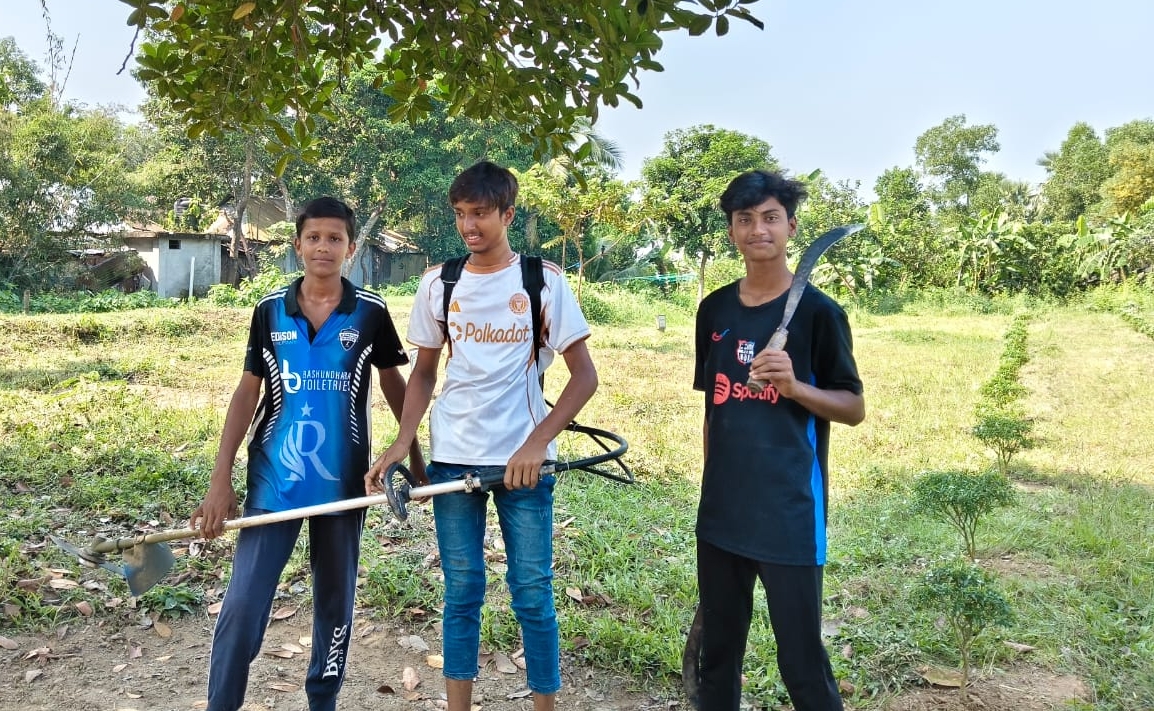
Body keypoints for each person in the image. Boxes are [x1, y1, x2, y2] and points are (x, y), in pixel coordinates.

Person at [365, 160, 598, 711]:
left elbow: (583, 377)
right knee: (463, 591)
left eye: (481, 214)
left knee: (533, 593)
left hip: (523, 464)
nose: (469, 226)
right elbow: (423, 373)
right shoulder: (440, 283)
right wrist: (404, 442)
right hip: (452, 458)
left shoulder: (541, 282)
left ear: (508, 213)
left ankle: (545, 705)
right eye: (461, 214)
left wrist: (537, 443)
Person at [191, 196, 425, 711]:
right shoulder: (269, 311)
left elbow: (394, 386)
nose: (324, 246)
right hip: (274, 484)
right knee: (243, 605)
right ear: (297, 244)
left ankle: (323, 701)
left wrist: (415, 458)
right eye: (314, 237)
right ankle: (220, 704)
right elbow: (246, 392)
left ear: (352, 247)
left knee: (335, 605)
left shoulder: (370, 313)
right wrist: (219, 479)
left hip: (345, 486)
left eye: (335, 238)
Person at [692, 170, 865, 711]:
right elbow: (712, 407)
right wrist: (711, 486)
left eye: (769, 218)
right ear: (731, 230)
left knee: (802, 665)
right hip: (722, 512)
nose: (757, 229)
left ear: (790, 226)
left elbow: (853, 407)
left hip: (790, 512)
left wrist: (794, 386)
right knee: (718, 658)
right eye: (744, 219)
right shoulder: (714, 310)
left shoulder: (818, 312)